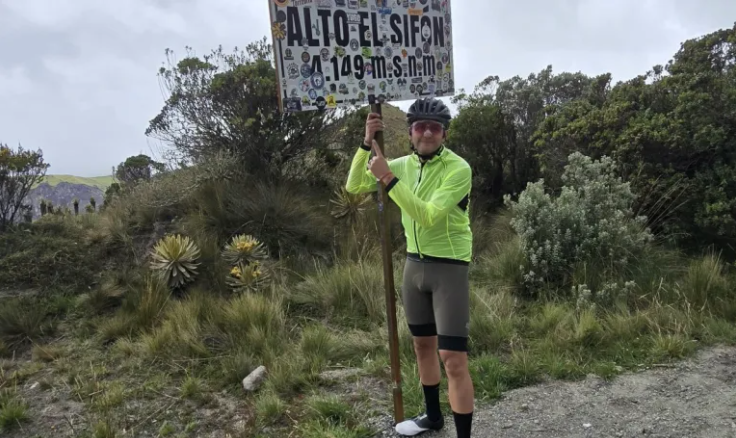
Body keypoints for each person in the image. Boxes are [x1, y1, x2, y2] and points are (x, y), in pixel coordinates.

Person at [345, 97, 474, 438]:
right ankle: (433, 417)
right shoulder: (403, 165)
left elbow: (428, 217)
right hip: (414, 265)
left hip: (449, 266)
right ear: (410, 132)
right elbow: (355, 185)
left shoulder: (458, 169)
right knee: (422, 346)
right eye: (420, 127)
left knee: (453, 358)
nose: (427, 133)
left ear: (444, 134)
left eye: (435, 128)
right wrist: (365, 144)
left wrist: (386, 177)